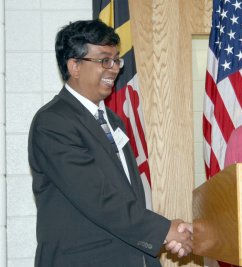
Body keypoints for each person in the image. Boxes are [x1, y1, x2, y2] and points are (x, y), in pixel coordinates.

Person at [28, 19, 192, 267]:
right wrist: (164, 230)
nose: (114, 69)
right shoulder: (53, 122)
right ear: (74, 66)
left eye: (116, 60)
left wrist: (164, 232)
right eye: (104, 60)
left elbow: (123, 196)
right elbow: (97, 197)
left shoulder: (113, 121)